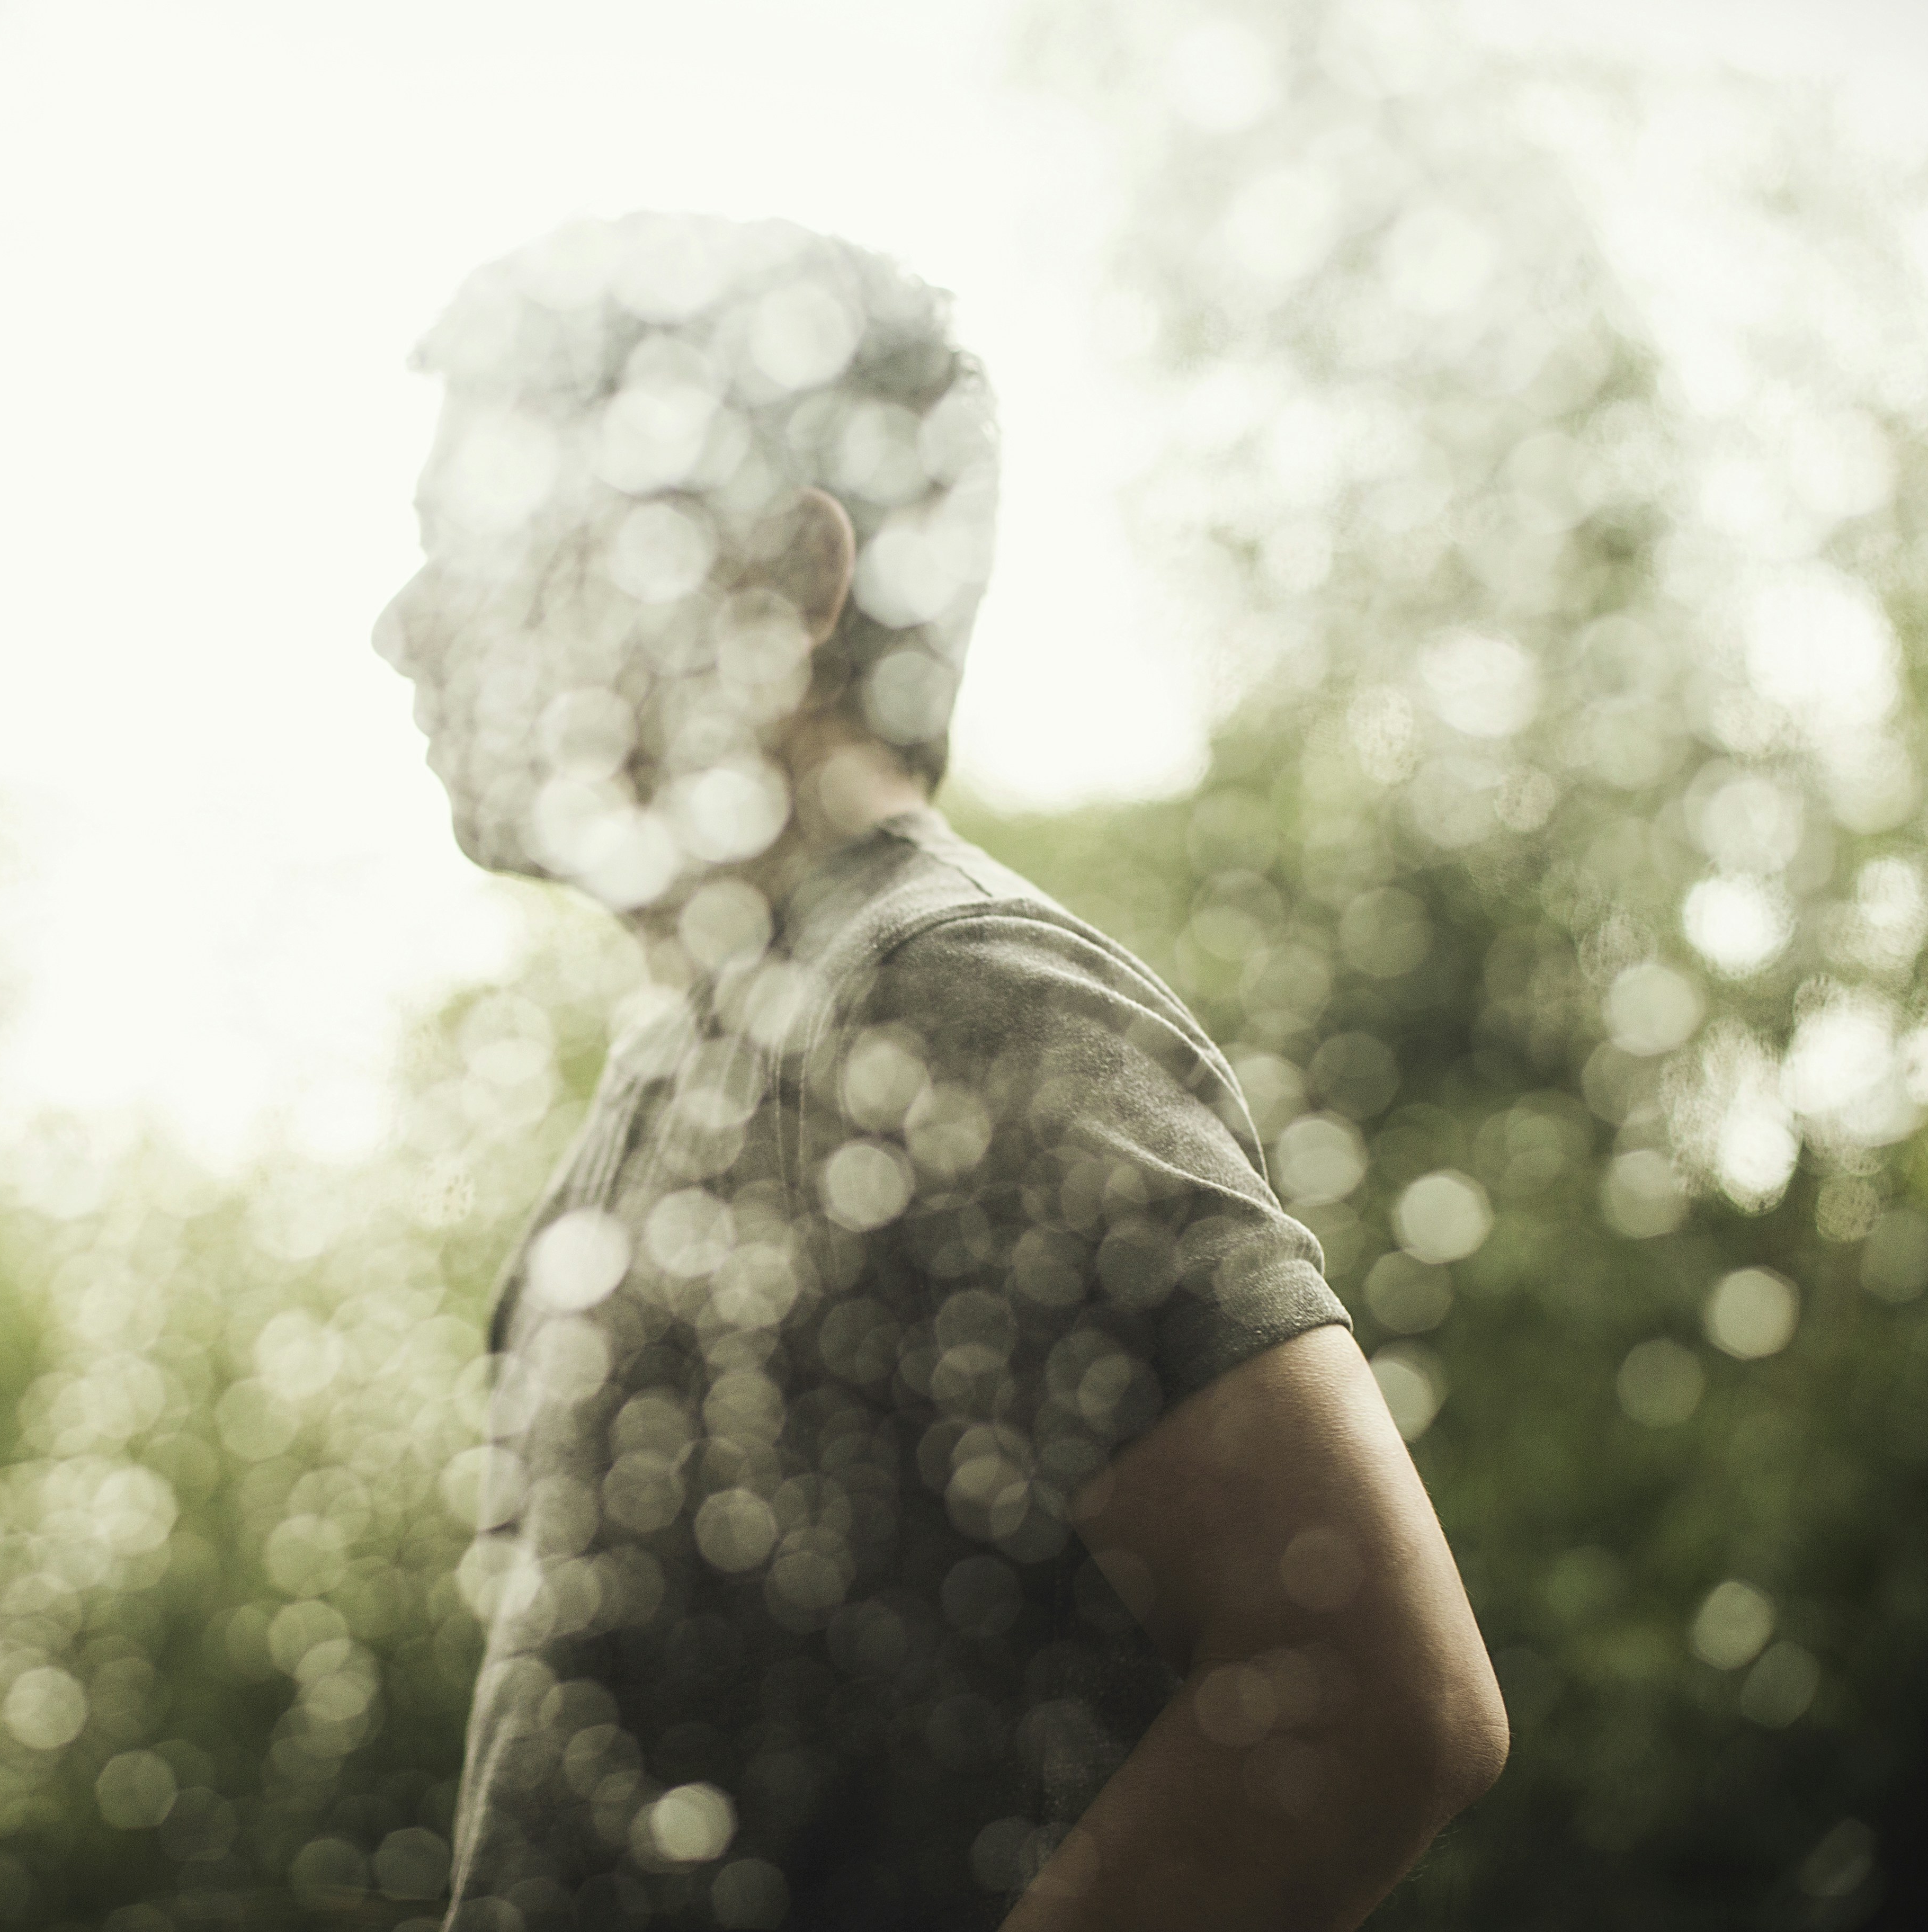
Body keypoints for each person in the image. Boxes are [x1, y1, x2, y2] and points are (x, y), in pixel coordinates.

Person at [371, 214, 1507, 1932]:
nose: (402, 626)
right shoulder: (698, 1066)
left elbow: (1375, 1698)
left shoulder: (952, 1008)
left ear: (778, 582)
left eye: (487, 545)